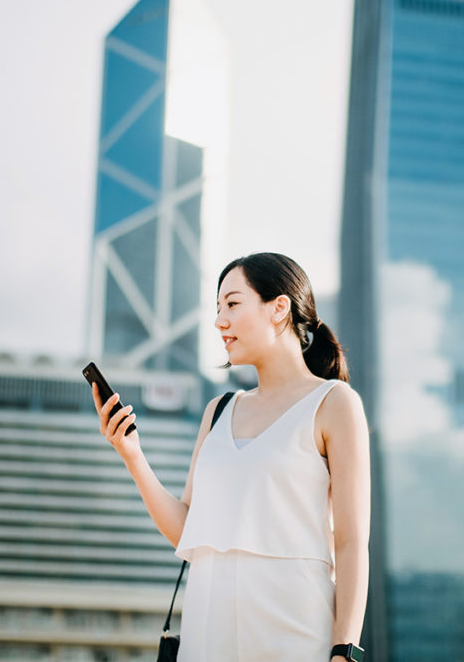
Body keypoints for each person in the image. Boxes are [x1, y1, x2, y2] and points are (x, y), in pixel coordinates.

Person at [92, 252, 370, 662]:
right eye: (217, 308)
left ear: (279, 309)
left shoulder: (333, 404)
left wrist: (344, 651)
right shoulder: (218, 411)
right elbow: (186, 527)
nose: (220, 321)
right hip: (207, 634)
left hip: (296, 635)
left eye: (233, 304)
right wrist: (132, 455)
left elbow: (350, 542)